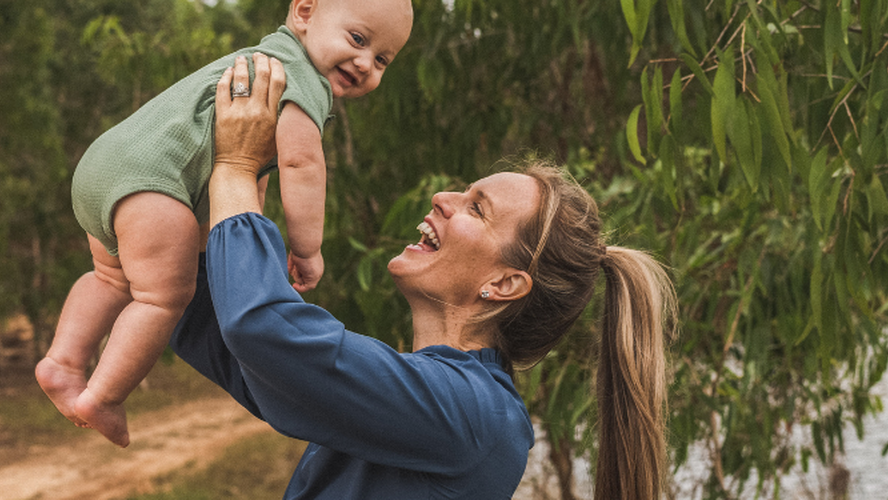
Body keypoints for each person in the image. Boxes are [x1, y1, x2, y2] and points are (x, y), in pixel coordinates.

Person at [175, 53, 677, 498]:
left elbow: (263, 331)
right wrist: (188, 230)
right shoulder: (436, 401)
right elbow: (227, 338)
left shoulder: (475, 415)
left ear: (504, 285)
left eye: (476, 208)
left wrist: (236, 166)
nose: (442, 197)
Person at [38, 0, 415, 447]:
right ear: (304, 12)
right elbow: (301, 163)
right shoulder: (304, 82)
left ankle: (62, 363)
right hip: (152, 185)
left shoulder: (263, 58)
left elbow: (253, 166)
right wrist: (307, 248)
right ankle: (103, 396)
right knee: (161, 297)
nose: (365, 63)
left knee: (110, 277)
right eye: (357, 39)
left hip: (104, 164)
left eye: (382, 59)